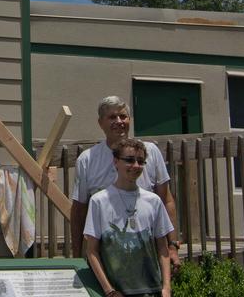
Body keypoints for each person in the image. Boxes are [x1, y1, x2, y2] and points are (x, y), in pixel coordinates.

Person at [70, 96, 181, 269]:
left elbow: (166, 200)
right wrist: (76, 257)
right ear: (100, 123)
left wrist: (172, 246)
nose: (119, 121)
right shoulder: (88, 160)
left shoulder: (150, 152)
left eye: (123, 116)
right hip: (104, 255)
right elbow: (78, 211)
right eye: (112, 117)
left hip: (148, 250)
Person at [84, 138, 173, 297]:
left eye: (140, 161)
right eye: (130, 160)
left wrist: (166, 288)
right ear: (116, 162)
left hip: (151, 291)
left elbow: (162, 248)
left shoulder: (153, 201)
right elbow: (92, 251)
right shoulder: (98, 202)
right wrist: (109, 290)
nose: (136, 166)